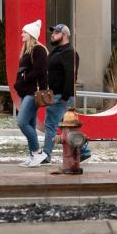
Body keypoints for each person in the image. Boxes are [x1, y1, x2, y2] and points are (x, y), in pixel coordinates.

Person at [22, 23, 92, 168]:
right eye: (52, 32)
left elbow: (70, 75)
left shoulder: (69, 53)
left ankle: (46, 155)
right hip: (57, 94)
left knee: (50, 125)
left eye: (56, 33)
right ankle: (83, 150)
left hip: (61, 95)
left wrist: (64, 96)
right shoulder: (58, 51)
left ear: (64, 35)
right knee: (65, 125)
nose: (52, 35)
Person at [13, 19, 49, 166]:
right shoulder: (26, 50)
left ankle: (37, 152)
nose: (22, 34)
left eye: (24, 32)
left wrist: (24, 78)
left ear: (31, 34)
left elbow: (40, 71)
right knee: (30, 123)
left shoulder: (39, 50)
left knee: (21, 122)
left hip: (32, 92)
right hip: (25, 91)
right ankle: (33, 156)